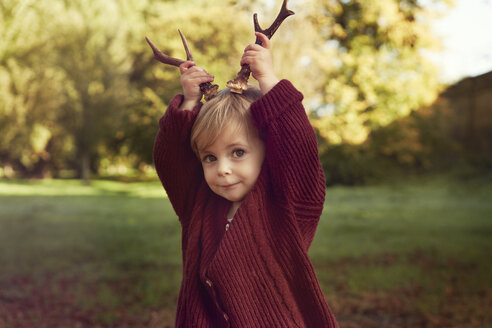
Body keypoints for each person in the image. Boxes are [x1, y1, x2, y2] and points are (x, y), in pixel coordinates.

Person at [154, 32, 339, 327]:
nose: (222, 169)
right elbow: (171, 162)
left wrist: (268, 79)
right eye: (210, 158)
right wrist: (189, 102)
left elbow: (298, 152)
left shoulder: (287, 207)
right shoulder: (197, 207)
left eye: (237, 152)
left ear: (268, 150)